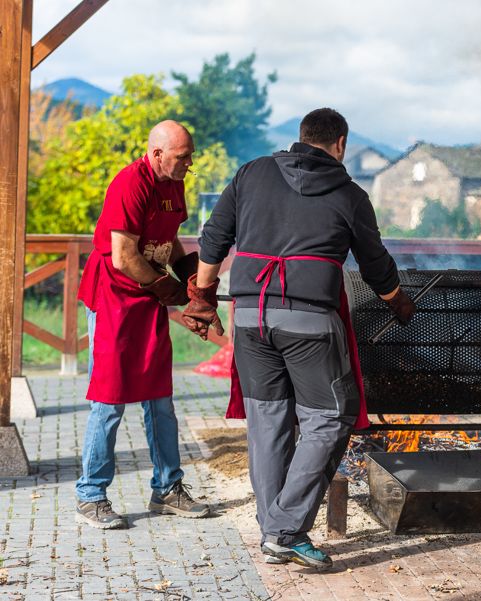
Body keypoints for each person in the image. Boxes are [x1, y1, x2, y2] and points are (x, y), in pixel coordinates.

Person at [183, 108, 415, 568]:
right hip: (309, 321)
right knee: (331, 416)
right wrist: (398, 302)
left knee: (267, 422)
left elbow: (213, 239)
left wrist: (203, 298)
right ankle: (287, 529)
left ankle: (275, 532)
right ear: (341, 144)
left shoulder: (251, 173)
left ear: (301, 138)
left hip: (249, 316)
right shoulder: (350, 194)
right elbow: (375, 266)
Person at [75, 120, 210, 529]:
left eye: (190, 156)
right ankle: (91, 495)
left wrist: (191, 276)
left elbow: (169, 239)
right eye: (182, 156)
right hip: (114, 295)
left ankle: (167, 488)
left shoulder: (174, 183)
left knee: (159, 396)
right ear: (156, 154)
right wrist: (167, 287)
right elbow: (123, 256)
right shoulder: (129, 184)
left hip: (147, 294)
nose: (189, 164)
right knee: (110, 399)